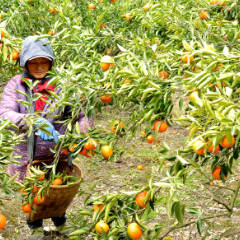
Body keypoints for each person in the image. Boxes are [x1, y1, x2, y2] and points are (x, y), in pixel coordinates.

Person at [0, 36, 94, 239]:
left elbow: (83, 112)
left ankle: (60, 222)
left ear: (51, 61)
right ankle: (34, 226)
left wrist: (80, 135)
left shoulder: (64, 84)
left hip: (56, 152)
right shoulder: (17, 85)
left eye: (44, 61)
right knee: (32, 192)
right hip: (27, 153)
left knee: (58, 189)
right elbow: (5, 114)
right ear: (25, 62)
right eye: (34, 62)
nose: (39, 67)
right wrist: (31, 121)